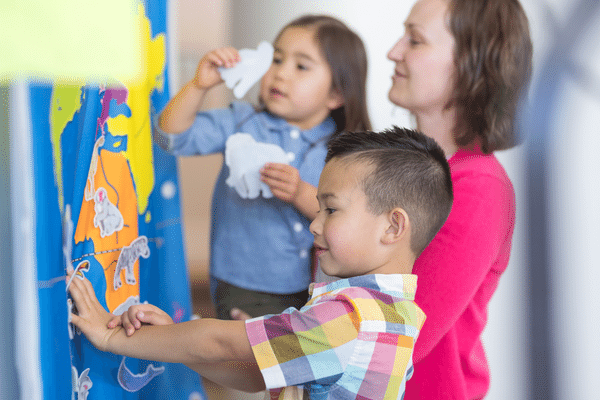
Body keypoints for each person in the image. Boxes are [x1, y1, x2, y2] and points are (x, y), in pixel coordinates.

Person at [67, 127, 454, 400]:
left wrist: (112, 336)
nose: (314, 224)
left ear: (393, 226)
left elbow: (220, 343)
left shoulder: (350, 322)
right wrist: (172, 336)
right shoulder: (395, 316)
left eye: (331, 210)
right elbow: (255, 373)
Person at [155, 14, 371, 320]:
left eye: (301, 66)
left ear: (336, 93)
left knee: (287, 363)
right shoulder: (241, 121)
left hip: (315, 286)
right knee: (245, 359)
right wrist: (198, 86)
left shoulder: (343, 151)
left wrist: (299, 193)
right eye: (277, 59)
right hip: (242, 283)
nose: (280, 74)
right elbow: (171, 137)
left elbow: (351, 220)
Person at [385, 0, 533, 398]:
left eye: (415, 40)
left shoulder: (480, 189)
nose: (393, 51)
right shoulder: (385, 167)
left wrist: (243, 347)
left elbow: (397, 341)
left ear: (471, 65)